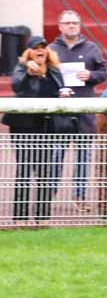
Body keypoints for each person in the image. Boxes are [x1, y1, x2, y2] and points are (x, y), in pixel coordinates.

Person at [1, 36, 72, 221]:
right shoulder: (22, 68)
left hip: (46, 126)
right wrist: (28, 74)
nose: (40, 50)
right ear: (29, 52)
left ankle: (42, 216)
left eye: (43, 47)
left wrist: (63, 94)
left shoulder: (54, 70)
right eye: (35, 47)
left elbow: (59, 89)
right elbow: (17, 87)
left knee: (45, 170)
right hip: (22, 126)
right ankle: (20, 217)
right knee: (24, 169)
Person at [48, 10, 107, 212]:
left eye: (75, 22)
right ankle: (50, 194)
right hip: (61, 111)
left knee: (84, 157)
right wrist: (56, 91)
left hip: (85, 112)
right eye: (67, 23)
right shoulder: (51, 49)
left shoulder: (91, 48)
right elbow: (44, 77)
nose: (72, 26)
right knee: (55, 156)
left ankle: (80, 196)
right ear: (60, 26)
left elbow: (103, 73)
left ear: (79, 25)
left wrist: (90, 75)